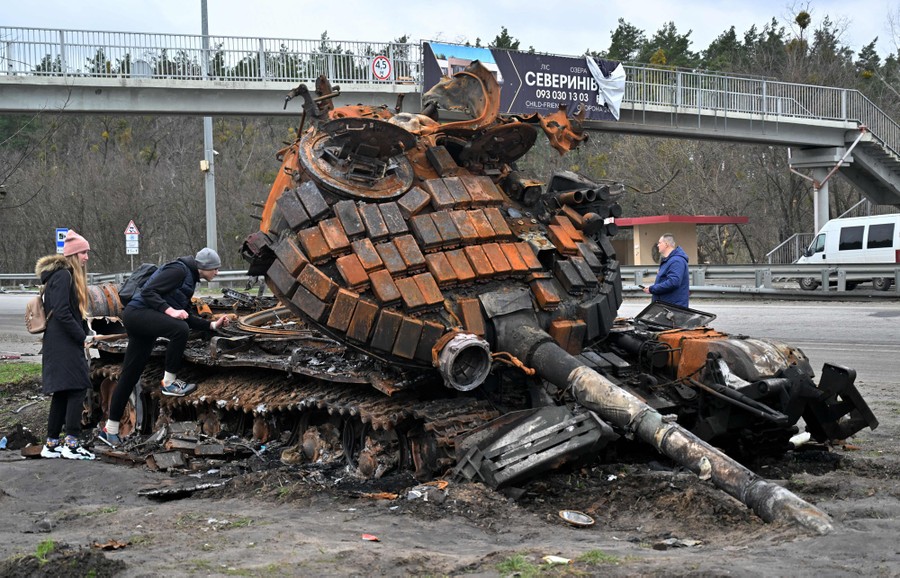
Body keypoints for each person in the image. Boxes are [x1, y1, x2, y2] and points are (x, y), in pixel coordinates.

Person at [99, 248, 230, 447]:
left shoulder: (190, 280)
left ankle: (110, 430)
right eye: (216, 269)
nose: (217, 273)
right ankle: (169, 382)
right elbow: (149, 292)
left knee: (129, 376)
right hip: (137, 314)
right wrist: (170, 311)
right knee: (179, 329)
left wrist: (212, 325)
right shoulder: (178, 270)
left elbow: (186, 314)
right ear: (205, 267)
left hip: (144, 320)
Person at [35, 230, 96, 460]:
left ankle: (51, 444)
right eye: (83, 252)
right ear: (73, 254)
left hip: (58, 340)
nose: (86, 257)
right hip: (63, 342)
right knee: (79, 387)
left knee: (62, 391)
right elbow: (61, 311)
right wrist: (81, 336)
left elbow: (67, 311)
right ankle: (71, 443)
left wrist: (87, 330)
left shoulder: (61, 275)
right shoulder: (63, 276)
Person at [642, 233, 690, 308]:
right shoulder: (669, 261)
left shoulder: (676, 261)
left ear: (666, 244)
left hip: (673, 308)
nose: (658, 245)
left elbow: (673, 282)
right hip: (666, 306)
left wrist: (652, 289)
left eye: (660, 243)